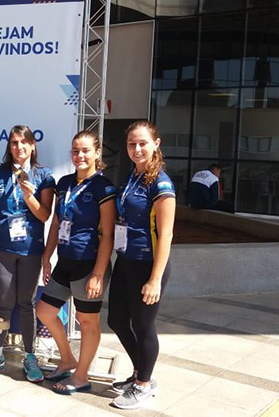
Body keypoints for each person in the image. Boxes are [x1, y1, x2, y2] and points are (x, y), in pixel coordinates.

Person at [36, 130, 116, 394]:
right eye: (75, 150)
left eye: (85, 150)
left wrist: (98, 274)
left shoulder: (103, 187)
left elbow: (107, 234)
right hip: (65, 261)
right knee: (45, 312)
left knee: (87, 321)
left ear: (96, 153)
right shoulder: (65, 183)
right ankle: (68, 359)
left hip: (89, 263)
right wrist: (47, 257)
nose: (79, 155)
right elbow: (57, 222)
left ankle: (81, 376)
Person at [0, 125, 54, 382]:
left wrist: (28, 194)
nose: (19, 147)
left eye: (23, 142)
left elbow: (44, 214)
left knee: (26, 303)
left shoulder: (44, 175)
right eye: (14, 142)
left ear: (32, 145)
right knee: (4, 301)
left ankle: (29, 356)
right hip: (3, 249)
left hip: (31, 249)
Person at [108, 120, 175, 409]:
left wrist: (155, 279)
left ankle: (144, 384)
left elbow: (167, 234)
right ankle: (141, 372)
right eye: (132, 144)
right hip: (125, 260)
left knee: (144, 326)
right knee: (116, 321)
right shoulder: (132, 177)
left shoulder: (161, 183)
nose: (136, 149)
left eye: (143, 143)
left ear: (156, 144)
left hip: (148, 265)